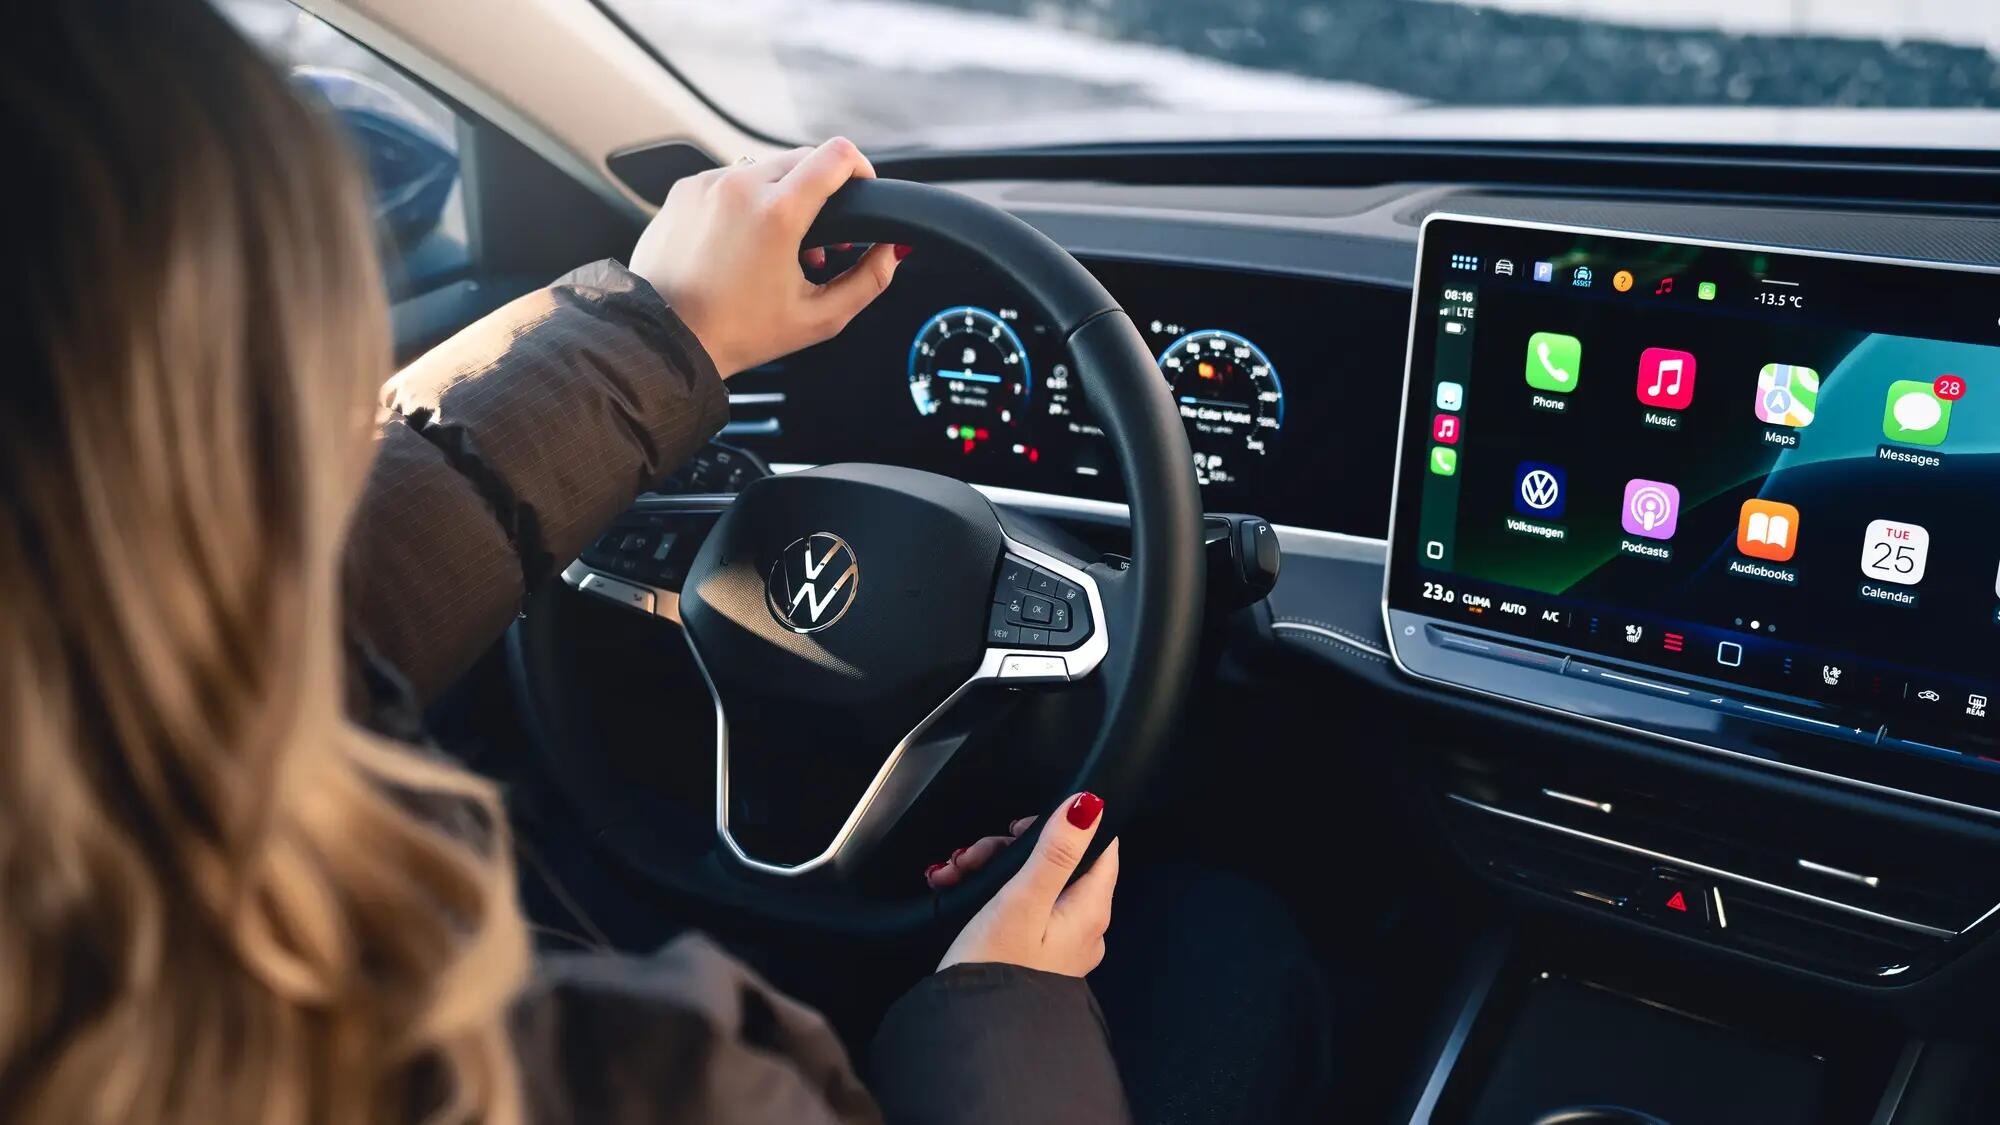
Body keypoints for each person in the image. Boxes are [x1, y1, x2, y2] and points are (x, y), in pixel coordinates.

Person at [0, 3, 1326, 1123]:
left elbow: (320, 601)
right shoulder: (648, 1075)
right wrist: (1000, 1015)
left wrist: (663, 330)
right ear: (177, 484)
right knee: (1227, 949)